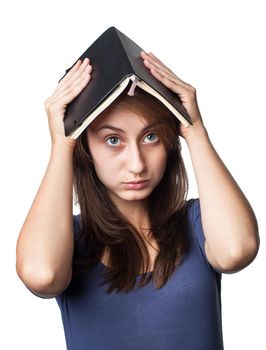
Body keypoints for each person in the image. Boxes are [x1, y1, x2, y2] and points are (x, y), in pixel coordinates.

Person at [16, 50, 259, 350]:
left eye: (150, 137)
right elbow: (41, 275)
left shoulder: (197, 223)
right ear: (87, 148)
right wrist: (62, 145)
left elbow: (238, 250)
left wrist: (195, 131)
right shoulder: (71, 240)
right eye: (113, 140)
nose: (136, 164)